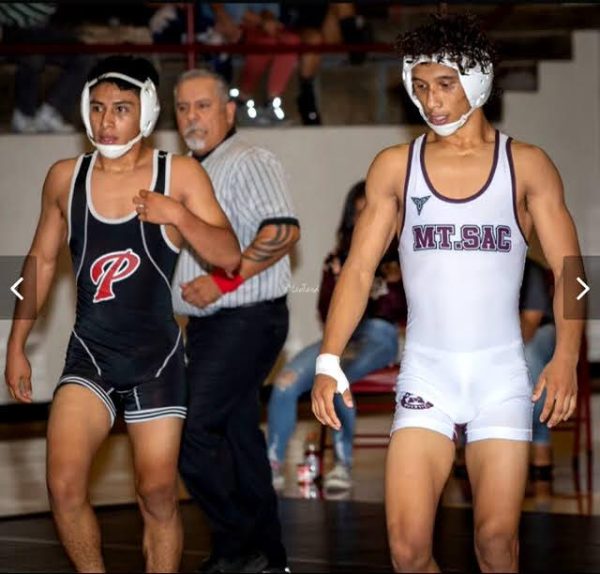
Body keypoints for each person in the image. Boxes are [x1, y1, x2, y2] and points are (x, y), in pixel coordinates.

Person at [311, 13, 583, 573]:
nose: (431, 100)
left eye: (444, 84)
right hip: (427, 373)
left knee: (495, 544)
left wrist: (567, 358)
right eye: (420, 87)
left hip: (499, 376)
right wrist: (329, 359)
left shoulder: (526, 165)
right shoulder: (395, 167)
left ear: (478, 80)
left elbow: (575, 270)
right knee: (408, 552)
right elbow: (359, 271)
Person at [4, 55, 240, 572]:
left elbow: (229, 255)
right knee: (63, 486)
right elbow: (39, 261)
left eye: (120, 109)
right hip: (89, 354)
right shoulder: (65, 177)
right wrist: (15, 343)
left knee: (156, 495)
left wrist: (176, 213)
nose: (106, 121)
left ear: (148, 113)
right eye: (97, 108)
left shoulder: (177, 174)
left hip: (156, 362)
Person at [172, 68, 300, 573]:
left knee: (191, 431)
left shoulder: (249, 158)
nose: (191, 117)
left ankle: (238, 542)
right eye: (182, 108)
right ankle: (266, 555)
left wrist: (224, 281)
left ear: (228, 111)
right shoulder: (187, 169)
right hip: (212, 326)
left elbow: (283, 230)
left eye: (203, 106)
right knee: (237, 438)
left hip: (246, 318)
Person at [267, 180, 406, 491]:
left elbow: (408, 312)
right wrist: (344, 280)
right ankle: (272, 465)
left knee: (337, 380)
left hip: (383, 336)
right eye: (358, 212)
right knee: (285, 381)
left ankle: (342, 465)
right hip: (341, 338)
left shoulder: (405, 255)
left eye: (370, 210)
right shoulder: (337, 260)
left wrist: (392, 284)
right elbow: (325, 310)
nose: (365, 218)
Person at [520, 256, 556, 485]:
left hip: (538, 332)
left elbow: (527, 329)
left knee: (527, 352)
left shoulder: (529, 270)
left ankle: (536, 433)